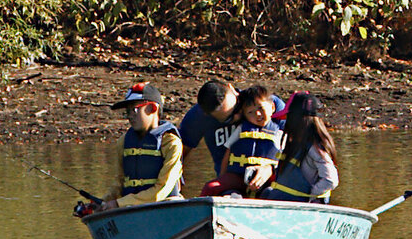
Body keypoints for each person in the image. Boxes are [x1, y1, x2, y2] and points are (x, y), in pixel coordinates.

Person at [79, 83, 183, 215]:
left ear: (152, 108)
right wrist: (102, 203)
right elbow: (119, 183)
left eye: (134, 110)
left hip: (165, 209)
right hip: (131, 211)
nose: (130, 116)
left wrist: (118, 204)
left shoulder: (170, 142)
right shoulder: (124, 142)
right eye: (127, 112)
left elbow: (162, 190)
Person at [205, 84, 283, 196]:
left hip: (266, 179)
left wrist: (271, 170)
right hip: (239, 177)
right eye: (250, 112)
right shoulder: (241, 129)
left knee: (269, 193)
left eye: (261, 108)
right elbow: (227, 154)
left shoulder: (279, 133)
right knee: (211, 187)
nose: (257, 114)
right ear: (245, 115)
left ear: (272, 107)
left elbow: (285, 161)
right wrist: (222, 177)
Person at [263, 93, 339, 203]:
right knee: (266, 192)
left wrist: (312, 195)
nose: (286, 124)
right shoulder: (293, 143)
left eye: (287, 119)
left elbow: (331, 180)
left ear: (296, 120)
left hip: (300, 206)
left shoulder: (315, 149)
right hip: (283, 202)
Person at [177, 79, 238, 182]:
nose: (237, 116)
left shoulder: (257, 103)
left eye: (236, 108)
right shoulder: (197, 117)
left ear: (231, 88)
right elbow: (178, 155)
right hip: (226, 182)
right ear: (206, 114)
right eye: (229, 118)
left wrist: (268, 168)